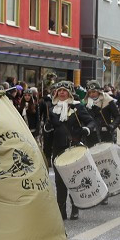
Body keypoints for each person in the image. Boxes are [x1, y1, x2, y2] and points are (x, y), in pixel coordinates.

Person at [42, 81, 95, 220]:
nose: (61, 93)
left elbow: (91, 121)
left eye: (64, 91)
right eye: (59, 91)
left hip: (74, 148)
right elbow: (49, 131)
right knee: (60, 182)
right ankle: (61, 210)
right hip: (58, 149)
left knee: (74, 179)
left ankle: (75, 208)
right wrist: (47, 130)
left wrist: (86, 129)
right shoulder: (52, 110)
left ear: (70, 93)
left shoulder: (78, 108)